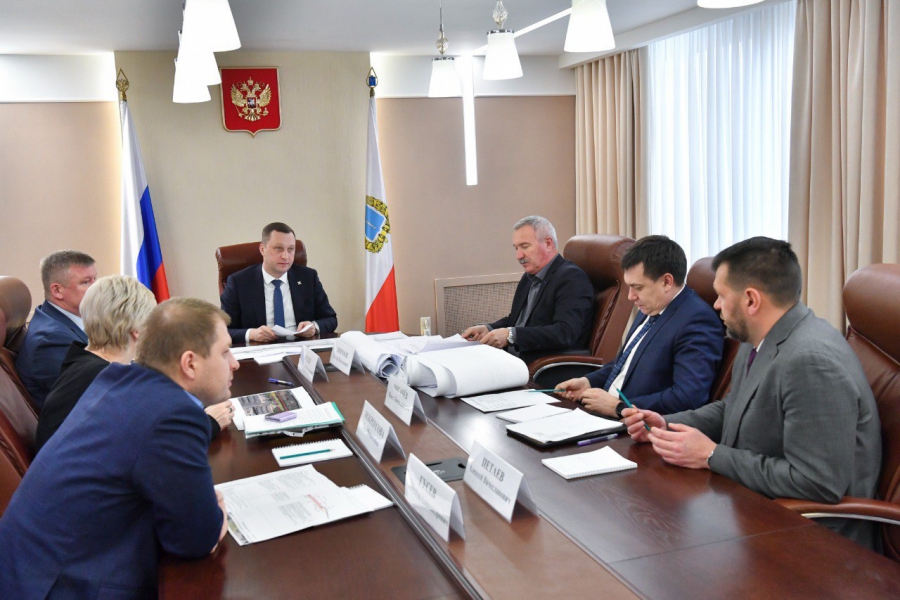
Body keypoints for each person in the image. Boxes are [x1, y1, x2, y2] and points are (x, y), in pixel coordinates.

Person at [622, 237, 881, 550]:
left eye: (721, 296)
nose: (716, 305)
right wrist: (667, 423)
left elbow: (817, 483)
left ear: (751, 300)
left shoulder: (811, 361)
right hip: (754, 505)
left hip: (815, 539)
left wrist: (711, 455)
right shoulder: (758, 337)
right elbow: (734, 406)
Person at [0, 298, 236, 597]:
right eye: (225, 352)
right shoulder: (171, 415)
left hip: (32, 571)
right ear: (190, 363)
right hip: (63, 586)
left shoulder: (116, 379)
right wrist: (215, 514)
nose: (235, 363)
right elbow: (196, 539)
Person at [34, 275, 234, 453]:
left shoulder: (84, 363)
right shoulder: (107, 381)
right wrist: (209, 423)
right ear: (138, 330)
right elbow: (156, 445)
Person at [557, 236, 723, 417]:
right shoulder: (653, 304)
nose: (631, 296)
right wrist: (588, 382)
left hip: (632, 424)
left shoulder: (697, 321)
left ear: (666, 282)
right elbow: (626, 363)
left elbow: (687, 398)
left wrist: (620, 407)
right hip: (603, 413)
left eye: (638, 287)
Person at [462, 216, 593, 362]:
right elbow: (516, 320)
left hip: (540, 364)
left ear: (548, 244)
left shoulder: (571, 278)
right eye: (516, 248)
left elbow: (565, 333)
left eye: (525, 246)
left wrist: (512, 335)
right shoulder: (529, 276)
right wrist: (489, 328)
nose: (519, 256)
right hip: (510, 358)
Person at [220, 222, 338, 344]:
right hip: (260, 349)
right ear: (262, 249)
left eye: (290, 249)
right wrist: (252, 334)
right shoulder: (239, 282)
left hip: (300, 348)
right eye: (278, 248)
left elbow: (330, 319)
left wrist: (314, 327)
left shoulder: (308, 277)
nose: (285, 256)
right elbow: (222, 329)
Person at [16, 250, 97, 408]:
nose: (97, 289)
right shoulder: (51, 340)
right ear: (57, 291)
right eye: (86, 282)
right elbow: (94, 394)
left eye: (95, 280)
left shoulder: (60, 319)